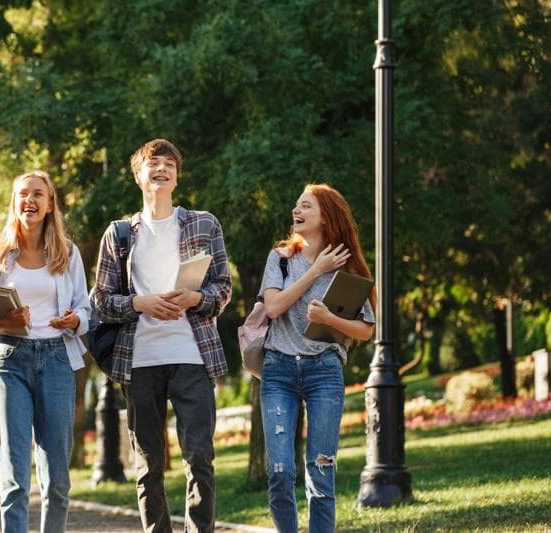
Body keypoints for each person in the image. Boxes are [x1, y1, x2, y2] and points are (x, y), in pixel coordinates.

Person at [92, 139, 232, 532]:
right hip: (140, 361)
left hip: (193, 356)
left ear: (176, 176)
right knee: (148, 463)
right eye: (153, 164)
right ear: (138, 174)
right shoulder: (119, 234)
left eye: (170, 164)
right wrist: (140, 304)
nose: (162, 169)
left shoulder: (204, 223)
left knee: (200, 457)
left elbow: (223, 287)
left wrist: (195, 297)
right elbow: (102, 301)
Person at [0, 170, 90, 533]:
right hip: (11, 360)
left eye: (38, 194)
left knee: (57, 477)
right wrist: (4, 324)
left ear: (50, 203)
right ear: (14, 203)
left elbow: (86, 310)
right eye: (24, 194)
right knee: (14, 473)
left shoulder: (68, 253)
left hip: (56, 360)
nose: (30, 200)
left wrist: (74, 321)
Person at [258, 183, 375, 533]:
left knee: (321, 472)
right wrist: (314, 271)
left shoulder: (346, 267)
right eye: (297, 205)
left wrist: (328, 319)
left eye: (306, 206)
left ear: (326, 216)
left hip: (324, 372)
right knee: (280, 472)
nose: (297, 210)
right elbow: (274, 307)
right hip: (278, 370)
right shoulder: (280, 258)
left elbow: (365, 329)